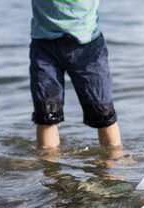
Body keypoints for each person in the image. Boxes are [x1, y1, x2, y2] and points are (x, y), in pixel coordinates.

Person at [29, 0, 121, 149]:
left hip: (88, 47)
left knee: (104, 114)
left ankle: (113, 165)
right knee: (46, 114)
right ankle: (50, 168)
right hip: (45, 48)